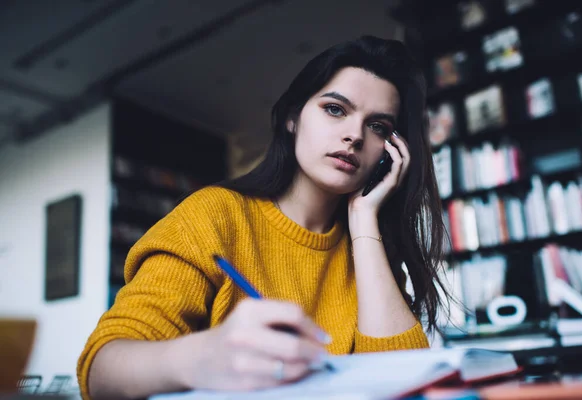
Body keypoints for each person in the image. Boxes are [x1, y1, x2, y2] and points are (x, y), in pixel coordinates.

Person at [77, 35, 448, 400]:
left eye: (378, 127)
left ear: (390, 153)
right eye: (335, 109)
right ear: (292, 119)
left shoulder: (371, 256)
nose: (354, 135)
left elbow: (402, 379)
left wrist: (365, 216)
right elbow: (101, 371)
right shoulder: (214, 215)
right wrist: (203, 356)